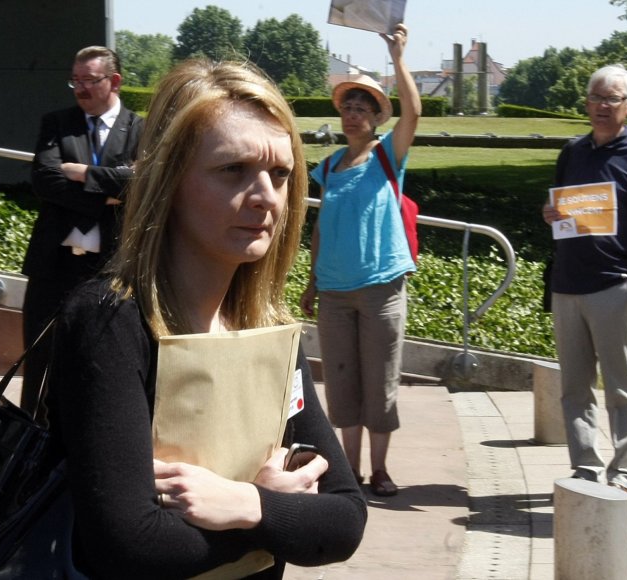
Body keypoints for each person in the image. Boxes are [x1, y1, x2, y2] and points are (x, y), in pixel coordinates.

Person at [44, 59, 366, 577]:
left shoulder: (267, 324)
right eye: (233, 170)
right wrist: (276, 515)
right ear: (168, 181)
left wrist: (246, 506)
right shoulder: (110, 322)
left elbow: (345, 517)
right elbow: (129, 543)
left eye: (280, 174)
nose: (265, 197)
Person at [542, 65, 627, 494]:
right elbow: (561, 211)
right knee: (574, 389)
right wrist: (551, 214)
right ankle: (584, 467)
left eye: (611, 99)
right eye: (595, 98)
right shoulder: (573, 151)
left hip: (614, 286)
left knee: (622, 388)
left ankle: (624, 472)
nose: (601, 105)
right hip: (567, 285)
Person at [299, 23, 420, 497]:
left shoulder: (389, 155)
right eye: (347, 107)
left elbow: (414, 110)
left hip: (381, 288)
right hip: (332, 292)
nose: (352, 114)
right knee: (343, 384)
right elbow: (321, 229)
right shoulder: (328, 167)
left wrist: (398, 58)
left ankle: (381, 469)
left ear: (375, 118)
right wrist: (311, 284)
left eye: (361, 108)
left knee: (380, 382)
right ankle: (348, 469)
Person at [21, 46, 143, 411]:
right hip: (53, 266)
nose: (79, 89)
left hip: (110, 269)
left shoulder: (141, 130)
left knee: (98, 365)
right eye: (75, 81)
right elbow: (44, 180)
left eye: (89, 80)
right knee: (39, 363)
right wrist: (105, 194)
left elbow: (139, 187)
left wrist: (82, 173)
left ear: (115, 81)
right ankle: (28, 449)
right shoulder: (57, 124)